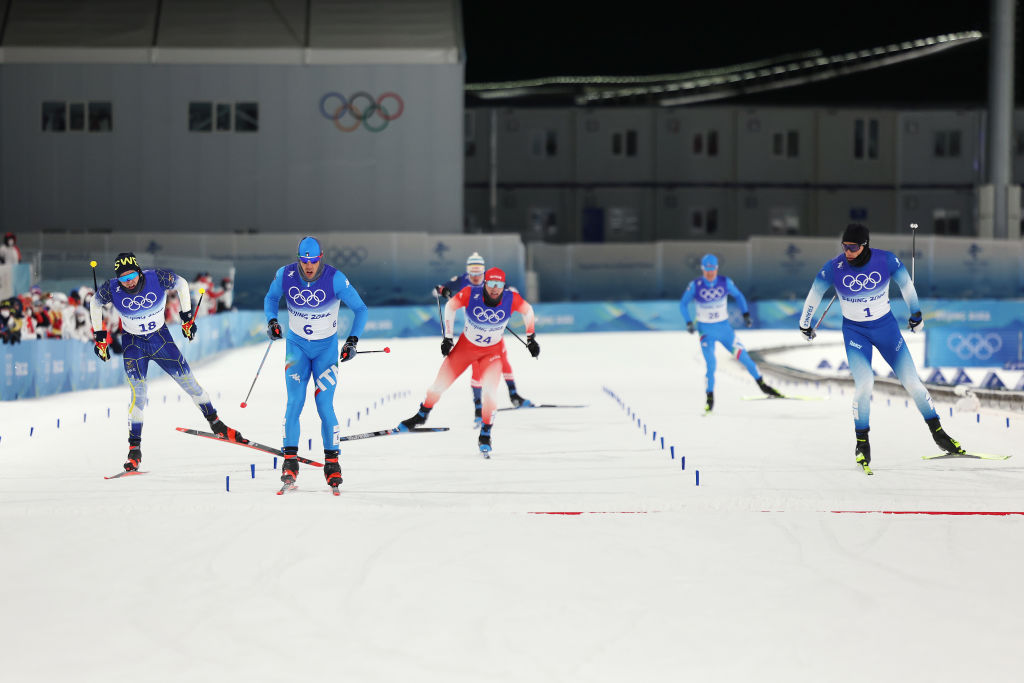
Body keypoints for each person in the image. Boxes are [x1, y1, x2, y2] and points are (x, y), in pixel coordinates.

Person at [799, 223, 966, 470]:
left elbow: (907, 286)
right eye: (844, 246)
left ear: (864, 245)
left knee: (912, 383)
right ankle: (862, 443)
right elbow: (814, 295)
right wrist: (804, 324)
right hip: (855, 332)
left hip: (886, 329)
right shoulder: (834, 268)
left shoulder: (886, 260)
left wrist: (916, 314)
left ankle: (939, 432)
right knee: (865, 383)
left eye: (852, 247)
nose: (847, 251)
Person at [89, 252, 245, 472]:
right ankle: (134, 450)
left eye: (132, 275)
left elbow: (181, 284)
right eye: (124, 279)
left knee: (191, 383)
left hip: (161, 340)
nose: (129, 281)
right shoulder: (110, 288)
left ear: (139, 271)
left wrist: (186, 316)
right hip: (134, 346)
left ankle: (216, 423)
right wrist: (99, 338)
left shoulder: (156, 278)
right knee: (138, 395)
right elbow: (94, 304)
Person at [264, 236, 368, 491]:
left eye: (313, 261)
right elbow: (270, 299)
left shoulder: (335, 279)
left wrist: (352, 341)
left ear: (320, 257)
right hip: (296, 349)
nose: (308, 266)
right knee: (295, 402)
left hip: (326, 352)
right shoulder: (285, 275)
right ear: (298, 258)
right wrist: (272, 321)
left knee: (324, 403)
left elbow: (361, 309)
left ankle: (332, 463)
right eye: (304, 261)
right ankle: (290, 462)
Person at [399, 266, 540, 455]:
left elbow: (528, 310)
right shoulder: (470, 293)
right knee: (437, 387)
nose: (494, 288)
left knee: (490, 394)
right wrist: (448, 338)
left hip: (492, 354)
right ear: (485, 283)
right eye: (490, 283)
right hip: (465, 349)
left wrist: (531, 338)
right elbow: (450, 307)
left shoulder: (510, 298)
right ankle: (421, 415)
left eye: (498, 284)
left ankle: (485, 433)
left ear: (503, 286)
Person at [437, 251, 533, 421]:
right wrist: (443, 291)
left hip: (494, 331)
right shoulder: (462, 279)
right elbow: (440, 288)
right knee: (477, 369)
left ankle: (514, 396)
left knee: (503, 360)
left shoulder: (491, 280)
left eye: (479, 271)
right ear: (468, 271)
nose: (475, 275)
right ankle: (478, 408)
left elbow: (511, 291)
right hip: (474, 332)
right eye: (472, 271)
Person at [680, 253, 781, 412]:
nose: (710, 273)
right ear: (702, 269)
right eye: (707, 270)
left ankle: (763, 385)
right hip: (706, 332)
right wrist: (687, 322)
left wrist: (746, 314)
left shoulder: (725, 282)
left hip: (725, 331)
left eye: (712, 270)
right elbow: (683, 304)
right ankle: (710, 397)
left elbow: (739, 296)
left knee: (745, 358)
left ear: (717, 269)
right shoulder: (695, 285)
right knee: (711, 365)